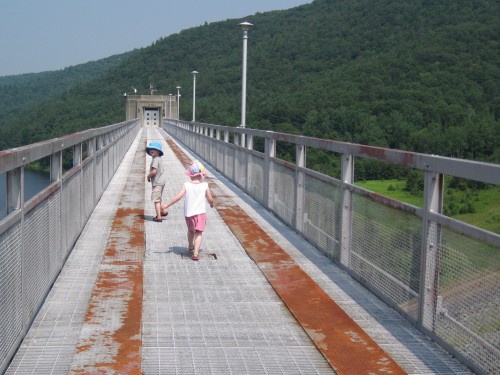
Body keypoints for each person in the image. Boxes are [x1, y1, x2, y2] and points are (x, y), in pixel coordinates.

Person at [162, 160, 214, 260]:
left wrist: (166, 205)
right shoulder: (205, 185)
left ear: (190, 175)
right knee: (199, 233)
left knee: (191, 230)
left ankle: (190, 246)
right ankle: (195, 253)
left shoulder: (186, 185)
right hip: (201, 214)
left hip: (189, 214)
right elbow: (210, 199)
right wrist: (212, 204)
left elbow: (178, 197)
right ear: (201, 175)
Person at [146, 141, 168, 222]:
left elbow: (154, 171)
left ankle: (159, 216)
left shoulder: (155, 160)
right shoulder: (159, 159)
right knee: (159, 197)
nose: (152, 150)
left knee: (156, 200)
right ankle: (163, 211)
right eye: (151, 149)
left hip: (157, 182)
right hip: (162, 181)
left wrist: (148, 176)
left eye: (154, 149)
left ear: (158, 151)